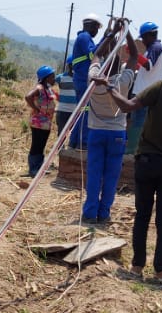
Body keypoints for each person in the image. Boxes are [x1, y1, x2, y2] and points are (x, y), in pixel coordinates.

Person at [92, 52, 162, 284]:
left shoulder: (160, 88)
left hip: (147, 162)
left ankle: (136, 267)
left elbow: (127, 107)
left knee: (142, 215)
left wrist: (109, 87)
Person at [82, 27, 137, 224]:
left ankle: (90, 212)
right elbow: (135, 55)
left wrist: (110, 34)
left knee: (94, 173)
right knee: (111, 175)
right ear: (119, 65)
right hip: (117, 134)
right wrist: (127, 31)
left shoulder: (93, 80)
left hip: (96, 133)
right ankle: (104, 213)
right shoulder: (122, 82)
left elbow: (96, 54)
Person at [68, 14, 116, 149]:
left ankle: (74, 142)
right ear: (92, 26)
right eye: (97, 28)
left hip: (82, 79)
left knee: (81, 111)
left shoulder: (84, 38)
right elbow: (94, 54)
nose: (96, 32)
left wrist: (104, 39)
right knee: (85, 111)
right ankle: (82, 143)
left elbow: (93, 52)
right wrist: (107, 38)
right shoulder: (84, 37)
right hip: (83, 79)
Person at [126, 21, 162, 154]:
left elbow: (148, 65)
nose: (142, 41)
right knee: (140, 123)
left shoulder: (156, 47)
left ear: (150, 35)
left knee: (138, 123)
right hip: (147, 92)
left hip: (146, 93)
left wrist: (135, 55)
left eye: (143, 38)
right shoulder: (153, 48)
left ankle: (132, 151)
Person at [24, 65, 58, 176]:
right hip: (38, 123)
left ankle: (39, 168)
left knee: (42, 145)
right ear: (46, 78)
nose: (54, 79)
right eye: (52, 77)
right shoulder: (39, 88)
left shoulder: (48, 89)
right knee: (36, 145)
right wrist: (36, 108)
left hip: (46, 123)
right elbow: (28, 96)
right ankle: (33, 169)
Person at [55, 57, 77, 135]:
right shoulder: (60, 78)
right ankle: (61, 147)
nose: (72, 67)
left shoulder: (79, 78)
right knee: (61, 133)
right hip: (62, 110)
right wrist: (55, 95)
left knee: (74, 133)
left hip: (75, 111)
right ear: (68, 66)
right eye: (70, 65)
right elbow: (48, 83)